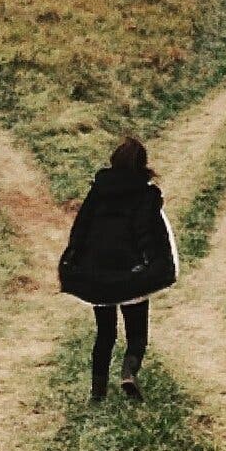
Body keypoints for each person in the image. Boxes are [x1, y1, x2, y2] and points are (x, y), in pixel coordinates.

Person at [58, 135, 179, 401]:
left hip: (96, 273)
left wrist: (72, 262)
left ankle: (97, 395)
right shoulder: (147, 196)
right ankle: (128, 373)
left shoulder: (97, 193)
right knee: (137, 334)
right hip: (131, 274)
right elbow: (153, 235)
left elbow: (80, 230)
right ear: (142, 164)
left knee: (105, 334)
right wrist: (156, 267)